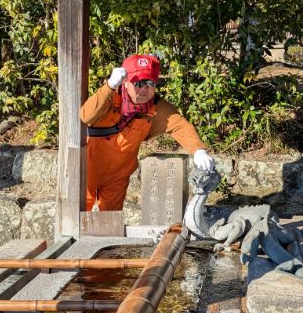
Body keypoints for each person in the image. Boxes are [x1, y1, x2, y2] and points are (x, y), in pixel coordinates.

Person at [80, 54, 215, 211]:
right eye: (138, 83)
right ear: (125, 82)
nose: (144, 89)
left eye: (150, 83)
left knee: (111, 220)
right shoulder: (109, 97)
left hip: (118, 176)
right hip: (88, 171)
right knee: (79, 215)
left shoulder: (157, 108)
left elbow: (180, 125)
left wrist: (198, 150)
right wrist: (109, 86)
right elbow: (86, 116)